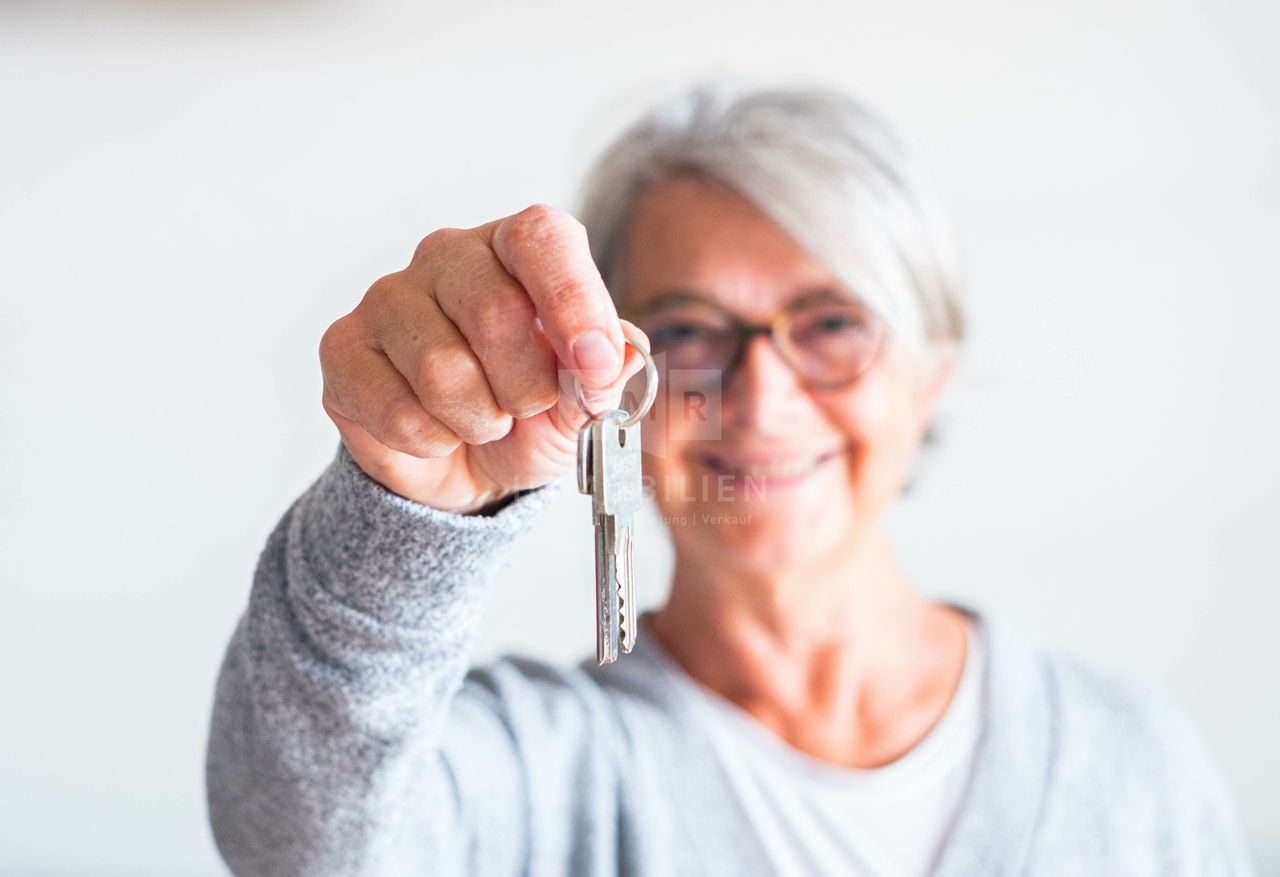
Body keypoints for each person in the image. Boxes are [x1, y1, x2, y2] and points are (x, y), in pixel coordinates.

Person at [206, 85, 1254, 876]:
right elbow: (309, 843)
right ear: (610, 372)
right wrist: (403, 513)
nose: (759, 396)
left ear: (928, 375)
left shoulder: (1129, 765)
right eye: (687, 331)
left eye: (832, 325)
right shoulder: (542, 772)